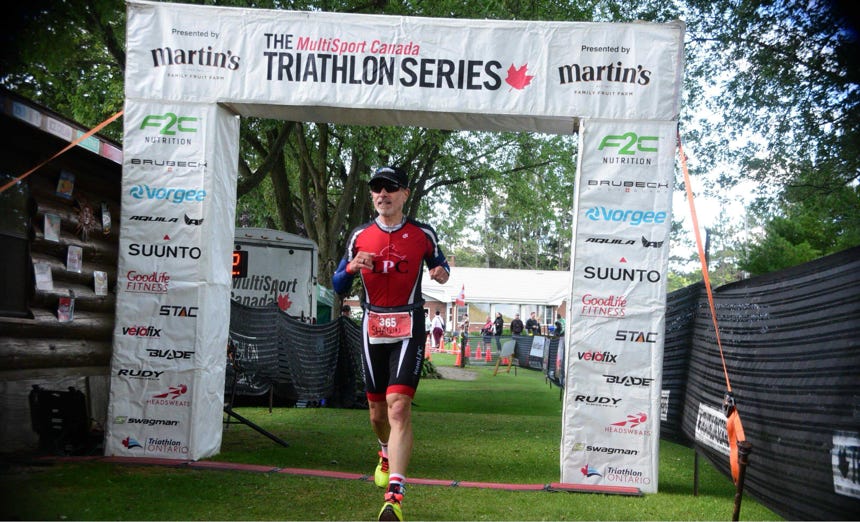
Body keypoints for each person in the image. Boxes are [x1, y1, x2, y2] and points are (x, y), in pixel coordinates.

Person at [332, 165, 450, 522]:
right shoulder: (359, 235)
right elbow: (337, 286)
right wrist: (351, 269)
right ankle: (385, 452)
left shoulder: (422, 234)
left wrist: (441, 273)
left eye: (390, 188)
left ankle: (394, 495)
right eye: (376, 189)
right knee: (377, 413)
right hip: (372, 324)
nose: (382, 194)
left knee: (398, 407)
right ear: (372, 196)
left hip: (409, 323)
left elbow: (441, 266)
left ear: (404, 194)